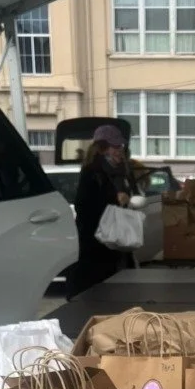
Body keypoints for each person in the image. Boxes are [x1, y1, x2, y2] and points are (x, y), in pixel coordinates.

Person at [65, 124, 135, 298]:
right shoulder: (92, 172)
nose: (120, 150)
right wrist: (114, 200)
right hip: (96, 241)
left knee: (115, 286)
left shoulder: (120, 172)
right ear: (102, 149)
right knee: (95, 289)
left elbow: (125, 195)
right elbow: (84, 206)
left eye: (121, 146)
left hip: (115, 239)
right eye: (115, 146)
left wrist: (124, 198)